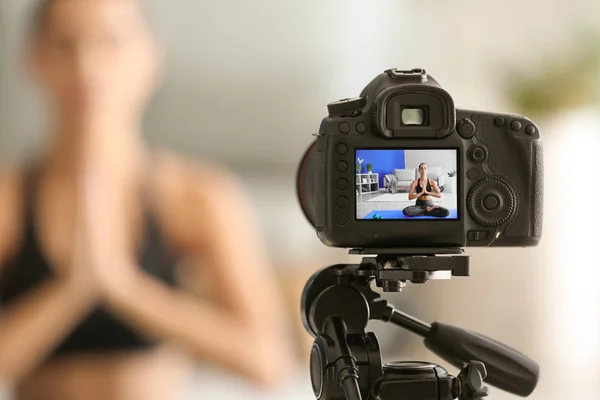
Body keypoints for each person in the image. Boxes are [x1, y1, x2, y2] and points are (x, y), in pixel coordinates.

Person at [0, 0, 294, 399]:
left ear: (151, 58)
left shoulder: (197, 198)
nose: (88, 66)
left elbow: (268, 361)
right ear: (33, 58)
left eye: (111, 42)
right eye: (66, 44)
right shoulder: (9, 200)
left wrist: (127, 290)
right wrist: (70, 291)